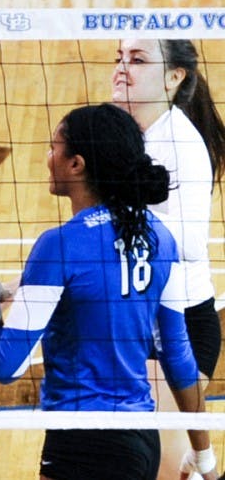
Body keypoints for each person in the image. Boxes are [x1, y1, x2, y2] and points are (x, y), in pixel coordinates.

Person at [0, 103, 218, 480]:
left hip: (82, 445)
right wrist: (206, 456)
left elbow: (7, 364)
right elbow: (178, 358)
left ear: (76, 164)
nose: (48, 157)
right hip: (141, 442)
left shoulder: (60, 246)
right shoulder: (161, 240)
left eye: (54, 147)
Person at [112, 38, 225, 480]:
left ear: (174, 78)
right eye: (119, 58)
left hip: (179, 328)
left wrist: (123, 234)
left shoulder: (180, 147)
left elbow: (191, 245)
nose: (122, 68)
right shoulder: (119, 134)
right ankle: (201, 464)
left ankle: (203, 464)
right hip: (130, 321)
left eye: (137, 60)